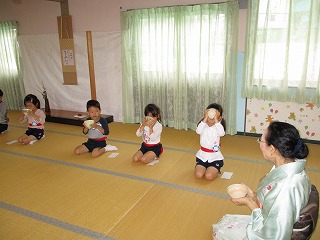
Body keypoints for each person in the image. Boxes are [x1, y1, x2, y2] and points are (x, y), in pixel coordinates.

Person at [228, 121, 311, 239]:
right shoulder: (292, 166)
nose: (259, 144)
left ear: (272, 149)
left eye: (261, 141)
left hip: (269, 232)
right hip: (274, 219)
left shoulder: (285, 190)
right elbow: (272, 201)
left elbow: (273, 235)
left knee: (222, 229)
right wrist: (253, 195)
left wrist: (249, 203)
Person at [195, 103, 226, 180]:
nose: (212, 116)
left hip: (215, 158)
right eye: (210, 113)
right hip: (202, 157)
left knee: (208, 176)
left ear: (219, 117)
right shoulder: (203, 126)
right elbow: (198, 131)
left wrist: (216, 120)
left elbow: (222, 133)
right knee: (198, 175)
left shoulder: (218, 127)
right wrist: (205, 118)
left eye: (216, 114)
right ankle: (203, 167)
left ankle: (216, 170)